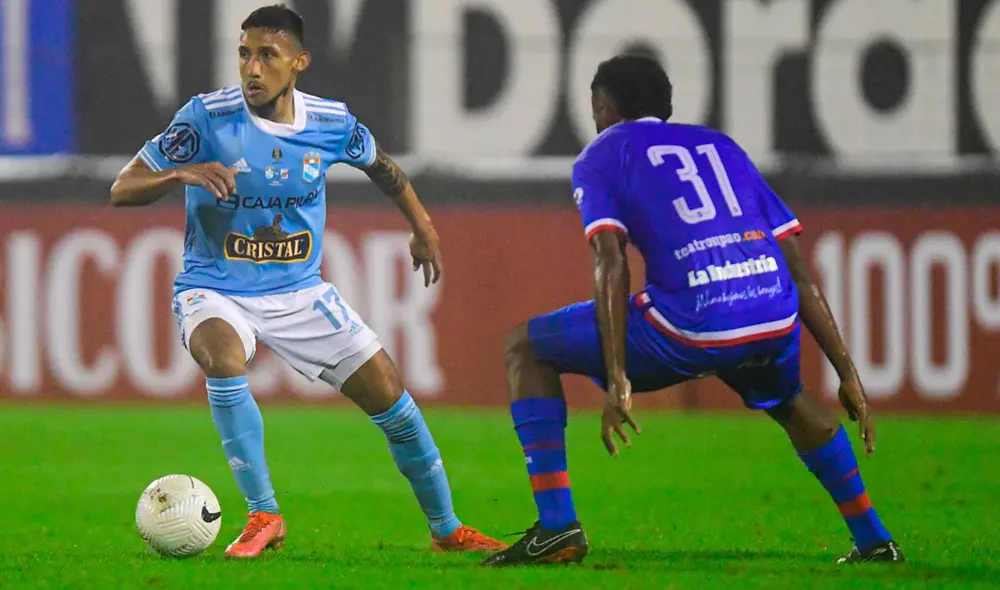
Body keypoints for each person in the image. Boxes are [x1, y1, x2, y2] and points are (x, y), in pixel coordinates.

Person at [110, 4, 505, 559]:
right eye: (245, 53)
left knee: (391, 397)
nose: (252, 68)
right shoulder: (206, 118)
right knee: (222, 356)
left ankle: (448, 529)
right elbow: (122, 187)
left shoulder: (330, 123)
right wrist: (182, 173)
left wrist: (423, 227)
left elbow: (383, 167)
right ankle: (264, 513)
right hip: (215, 287)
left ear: (299, 62)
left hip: (299, 291)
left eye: (268, 56)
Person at [483, 54, 903, 567]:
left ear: (603, 106)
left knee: (525, 347)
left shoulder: (602, 155)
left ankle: (556, 528)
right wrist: (847, 374)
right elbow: (797, 267)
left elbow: (611, 262)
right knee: (791, 401)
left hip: (692, 323)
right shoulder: (721, 145)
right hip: (771, 313)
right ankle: (875, 540)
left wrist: (617, 377)